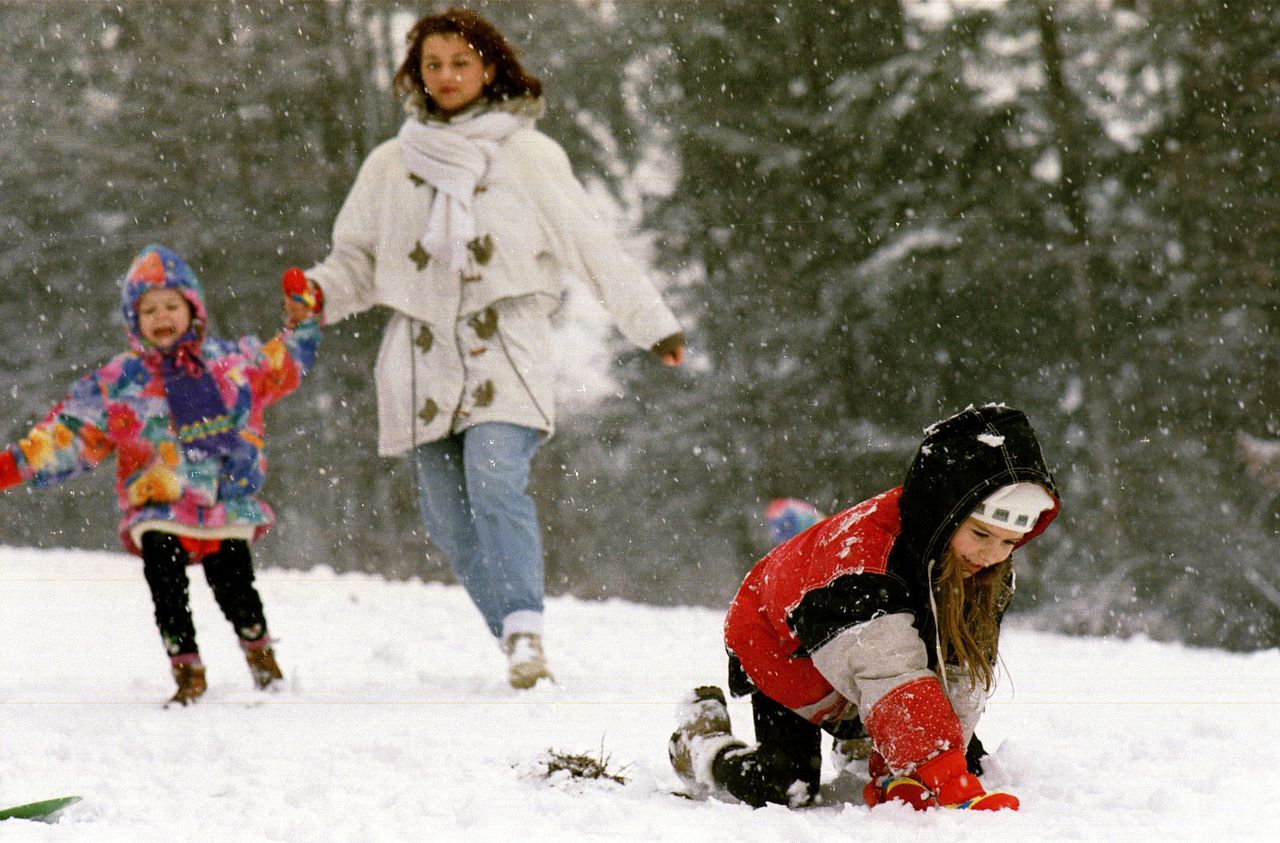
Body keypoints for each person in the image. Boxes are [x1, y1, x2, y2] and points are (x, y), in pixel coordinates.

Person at [297, 8, 685, 689]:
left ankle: (526, 630)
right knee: (448, 522)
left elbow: (592, 247)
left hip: (505, 345)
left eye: (460, 63)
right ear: (416, 74)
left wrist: (652, 324)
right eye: (433, 65)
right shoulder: (389, 165)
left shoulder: (530, 157)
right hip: (419, 358)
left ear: (490, 68)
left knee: (496, 478)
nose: (446, 77)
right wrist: (317, 294)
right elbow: (356, 261)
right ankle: (512, 640)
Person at [669, 405, 1059, 811]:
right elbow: (886, 669)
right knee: (787, 786)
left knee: (960, 756)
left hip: (865, 653)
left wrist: (939, 767)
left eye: (1009, 541)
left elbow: (959, 671)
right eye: (981, 533)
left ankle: (867, 740)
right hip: (783, 642)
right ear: (945, 511)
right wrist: (937, 771)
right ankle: (701, 745)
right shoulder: (861, 562)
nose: (993, 553)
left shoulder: (984, 568)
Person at [0, 244, 320, 706]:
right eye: (148, 309)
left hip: (224, 499)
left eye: (172, 305)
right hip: (159, 501)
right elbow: (69, 432)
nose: (161, 316)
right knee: (164, 576)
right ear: (134, 321)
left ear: (194, 310)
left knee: (233, 583)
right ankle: (187, 667)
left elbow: (282, 363)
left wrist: (302, 318)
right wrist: (13, 465)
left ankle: (259, 651)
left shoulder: (231, 365)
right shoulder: (122, 382)